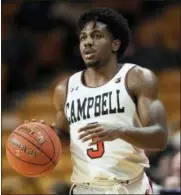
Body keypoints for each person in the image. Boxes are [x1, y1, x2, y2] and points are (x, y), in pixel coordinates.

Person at [28, 8, 168, 194]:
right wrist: (44, 136)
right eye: (83, 38)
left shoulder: (138, 78)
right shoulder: (65, 89)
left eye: (96, 36)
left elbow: (159, 137)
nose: (87, 42)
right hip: (85, 188)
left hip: (130, 186)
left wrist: (120, 131)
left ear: (115, 44)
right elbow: (63, 138)